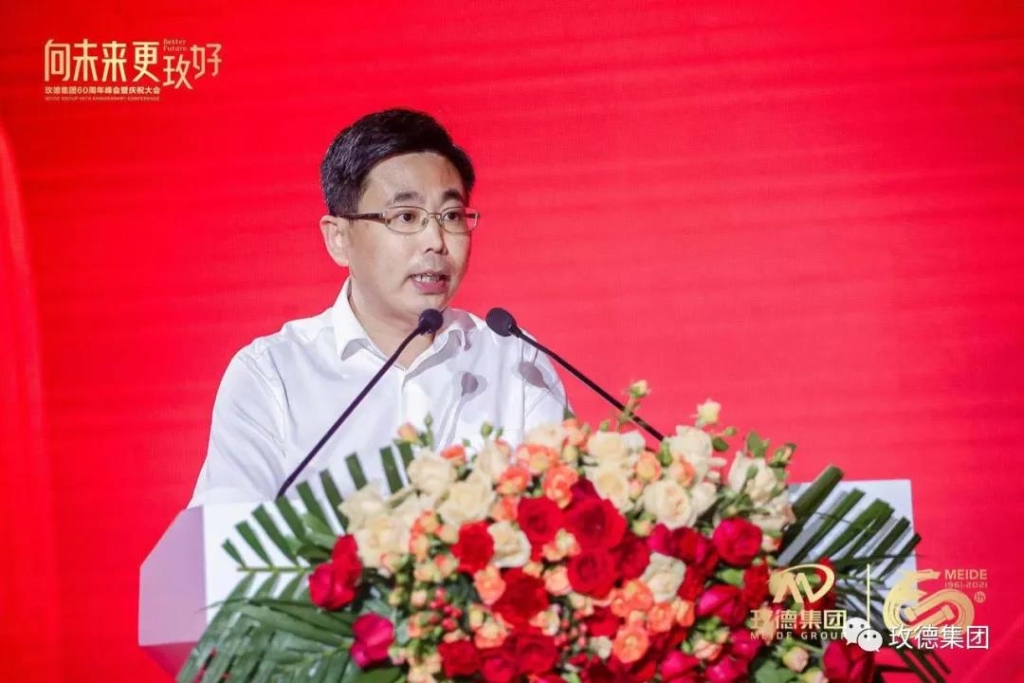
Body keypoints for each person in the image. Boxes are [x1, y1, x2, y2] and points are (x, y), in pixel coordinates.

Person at [188, 109, 568, 506]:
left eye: (452, 216)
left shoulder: (515, 361)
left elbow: (567, 514)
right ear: (338, 238)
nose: (436, 241)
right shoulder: (273, 374)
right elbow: (224, 533)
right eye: (406, 216)